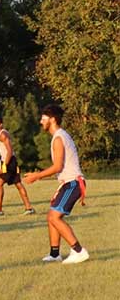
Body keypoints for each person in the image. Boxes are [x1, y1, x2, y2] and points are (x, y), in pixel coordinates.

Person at [24, 105, 89, 264]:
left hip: (73, 183)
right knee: (51, 216)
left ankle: (79, 251)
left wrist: (37, 176)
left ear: (52, 119)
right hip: (68, 183)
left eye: (43, 118)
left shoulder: (59, 138)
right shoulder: (59, 136)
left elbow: (57, 167)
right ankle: (55, 254)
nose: (41, 121)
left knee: (55, 217)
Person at [0, 117, 35, 216]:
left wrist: (3, 167)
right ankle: (29, 208)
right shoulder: (2, 134)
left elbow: (9, 151)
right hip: (10, 161)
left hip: (9, 161)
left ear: (1, 124)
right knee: (18, 184)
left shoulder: (2, 134)